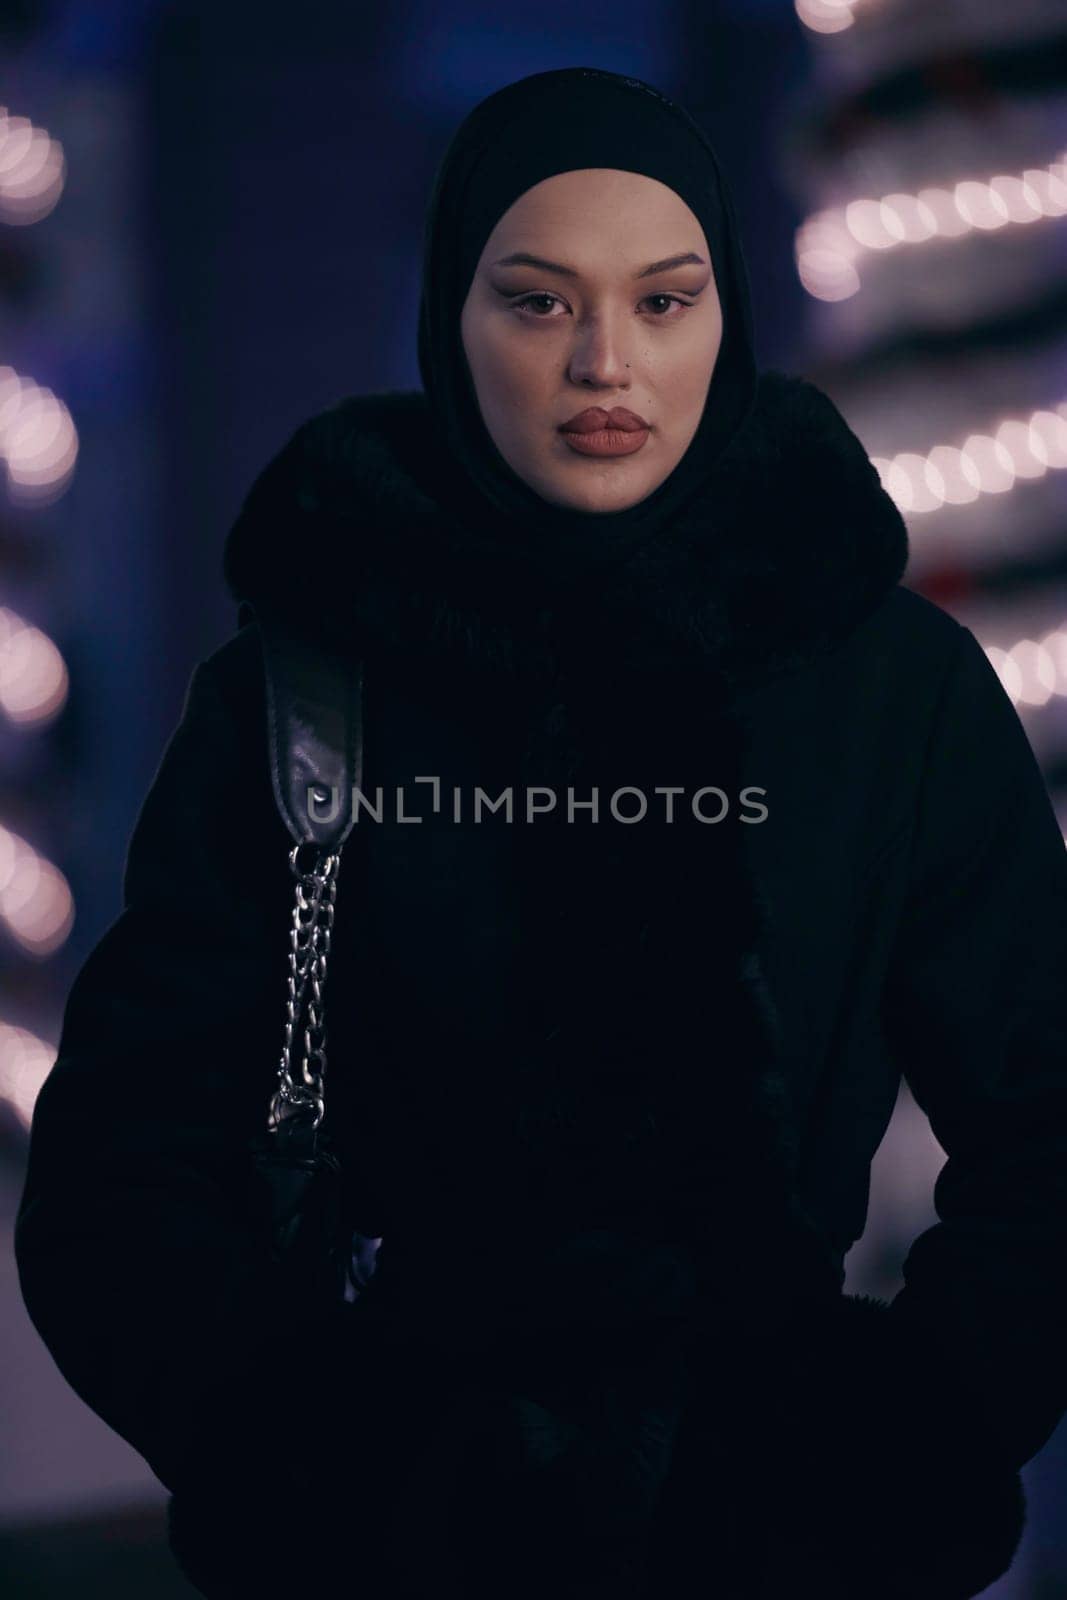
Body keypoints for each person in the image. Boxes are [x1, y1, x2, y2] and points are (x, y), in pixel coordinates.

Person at [14, 66, 1067, 1600]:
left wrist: (902, 1434)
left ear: (727, 315)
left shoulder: (881, 686)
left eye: (662, 301)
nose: (603, 363)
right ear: (455, 317)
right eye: (537, 301)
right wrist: (308, 1449)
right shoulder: (312, 686)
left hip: (784, 1538)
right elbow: (121, 1169)